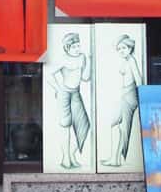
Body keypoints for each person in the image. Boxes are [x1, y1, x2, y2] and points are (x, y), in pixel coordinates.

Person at [100, 34, 143, 167]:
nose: (121, 51)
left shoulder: (131, 61)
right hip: (125, 94)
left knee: (122, 127)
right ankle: (114, 158)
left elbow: (138, 79)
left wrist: (141, 95)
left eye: (124, 48)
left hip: (129, 96)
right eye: (119, 49)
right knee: (116, 124)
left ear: (130, 48)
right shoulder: (127, 60)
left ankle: (116, 159)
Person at [50, 31, 91, 169]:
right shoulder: (63, 59)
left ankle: (72, 155)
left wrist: (88, 61)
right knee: (65, 126)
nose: (77, 49)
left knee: (84, 125)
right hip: (64, 93)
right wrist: (58, 88)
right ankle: (66, 158)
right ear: (67, 47)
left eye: (78, 45)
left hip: (76, 93)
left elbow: (86, 77)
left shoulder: (82, 57)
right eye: (74, 46)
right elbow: (50, 74)